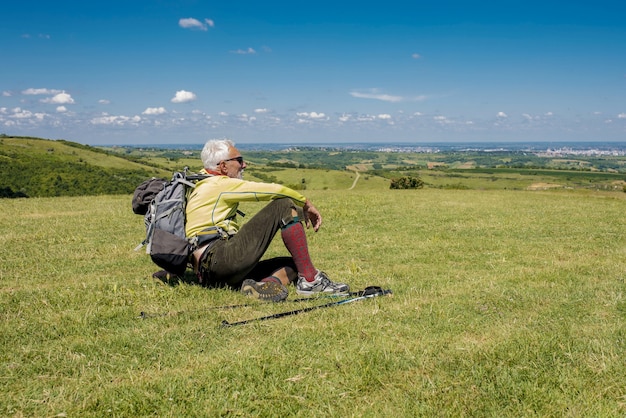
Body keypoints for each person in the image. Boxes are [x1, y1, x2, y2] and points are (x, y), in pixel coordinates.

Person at [184, 138, 349, 302]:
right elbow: (272, 191)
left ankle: (263, 285)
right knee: (283, 204)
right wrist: (305, 203)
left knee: (293, 265)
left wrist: (296, 211)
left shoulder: (200, 182)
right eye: (239, 161)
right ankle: (311, 281)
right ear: (223, 166)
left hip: (206, 273)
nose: (244, 165)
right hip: (220, 259)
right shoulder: (219, 184)